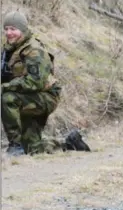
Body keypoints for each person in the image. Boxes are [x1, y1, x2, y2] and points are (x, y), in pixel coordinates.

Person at [1, 10, 90, 156]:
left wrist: (4, 87)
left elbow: (35, 82)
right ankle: (69, 143)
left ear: (22, 30)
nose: (9, 33)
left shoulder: (34, 50)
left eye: (13, 29)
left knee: (7, 98)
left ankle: (15, 146)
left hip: (45, 97)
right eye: (6, 29)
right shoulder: (9, 50)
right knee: (32, 148)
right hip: (27, 96)